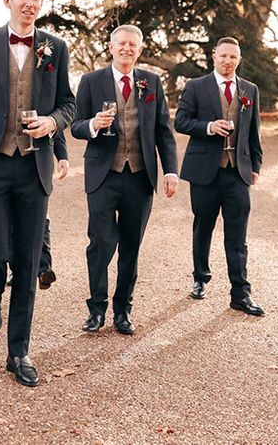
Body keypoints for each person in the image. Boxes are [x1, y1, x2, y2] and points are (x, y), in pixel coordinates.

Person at [0, 0, 75, 388]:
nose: (30, 3)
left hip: (34, 167)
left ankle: (18, 351)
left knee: (27, 263)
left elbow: (68, 103)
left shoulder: (55, 47)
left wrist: (52, 121)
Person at [71, 24, 178, 336]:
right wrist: (92, 124)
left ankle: (123, 311)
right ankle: (96, 309)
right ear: (110, 46)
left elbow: (163, 131)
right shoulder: (91, 81)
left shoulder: (151, 82)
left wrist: (170, 170)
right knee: (101, 243)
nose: (127, 49)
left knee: (131, 245)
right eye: (121, 44)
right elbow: (76, 125)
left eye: (133, 45)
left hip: (140, 177)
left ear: (140, 50)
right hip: (103, 175)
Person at [174, 37, 265, 316]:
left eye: (233, 57)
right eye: (223, 56)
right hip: (204, 173)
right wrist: (209, 127)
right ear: (214, 56)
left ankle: (241, 293)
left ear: (239, 60)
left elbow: (254, 132)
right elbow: (181, 121)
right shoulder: (196, 86)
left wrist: (256, 166)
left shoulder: (249, 89)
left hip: (237, 173)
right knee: (203, 228)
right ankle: (200, 278)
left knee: (238, 235)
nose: (228, 61)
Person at [7, 129, 69, 290]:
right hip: (7, 166)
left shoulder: (43, 103)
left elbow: (57, 129)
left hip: (38, 168)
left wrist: (62, 156)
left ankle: (43, 269)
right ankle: (19, 269)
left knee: (41, 220)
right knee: (12, 221)